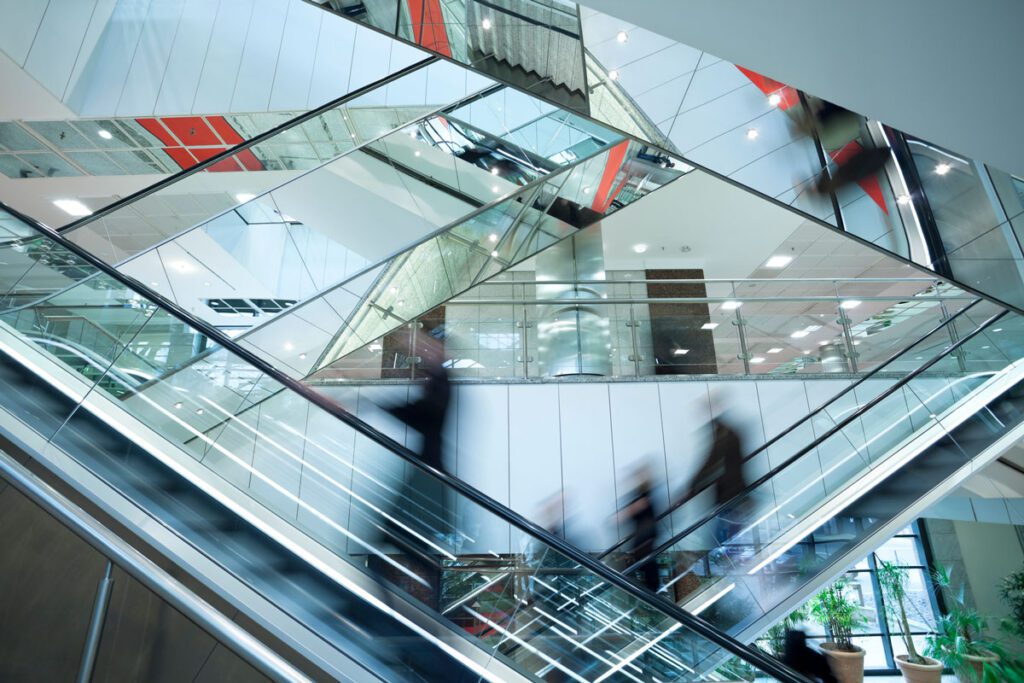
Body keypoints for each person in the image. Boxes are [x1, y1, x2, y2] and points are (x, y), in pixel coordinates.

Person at [683, 403, 747, 549]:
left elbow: (711, 461)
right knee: (724, 537)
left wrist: (692, 486)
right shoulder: (726, 432)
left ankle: (728, 563)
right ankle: (727, 561)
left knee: (722, 540)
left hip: (731, 493)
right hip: (731, 493)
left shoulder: (724, 433)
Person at [622, 465, 660, 592]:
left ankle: (652, 595)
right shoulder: (641, 494)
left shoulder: (646, 494)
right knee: (645, 567)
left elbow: (634, 509)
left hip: (645, 538)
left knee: (647, 567)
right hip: (644, 537)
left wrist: (621, 515)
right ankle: (651, 594)